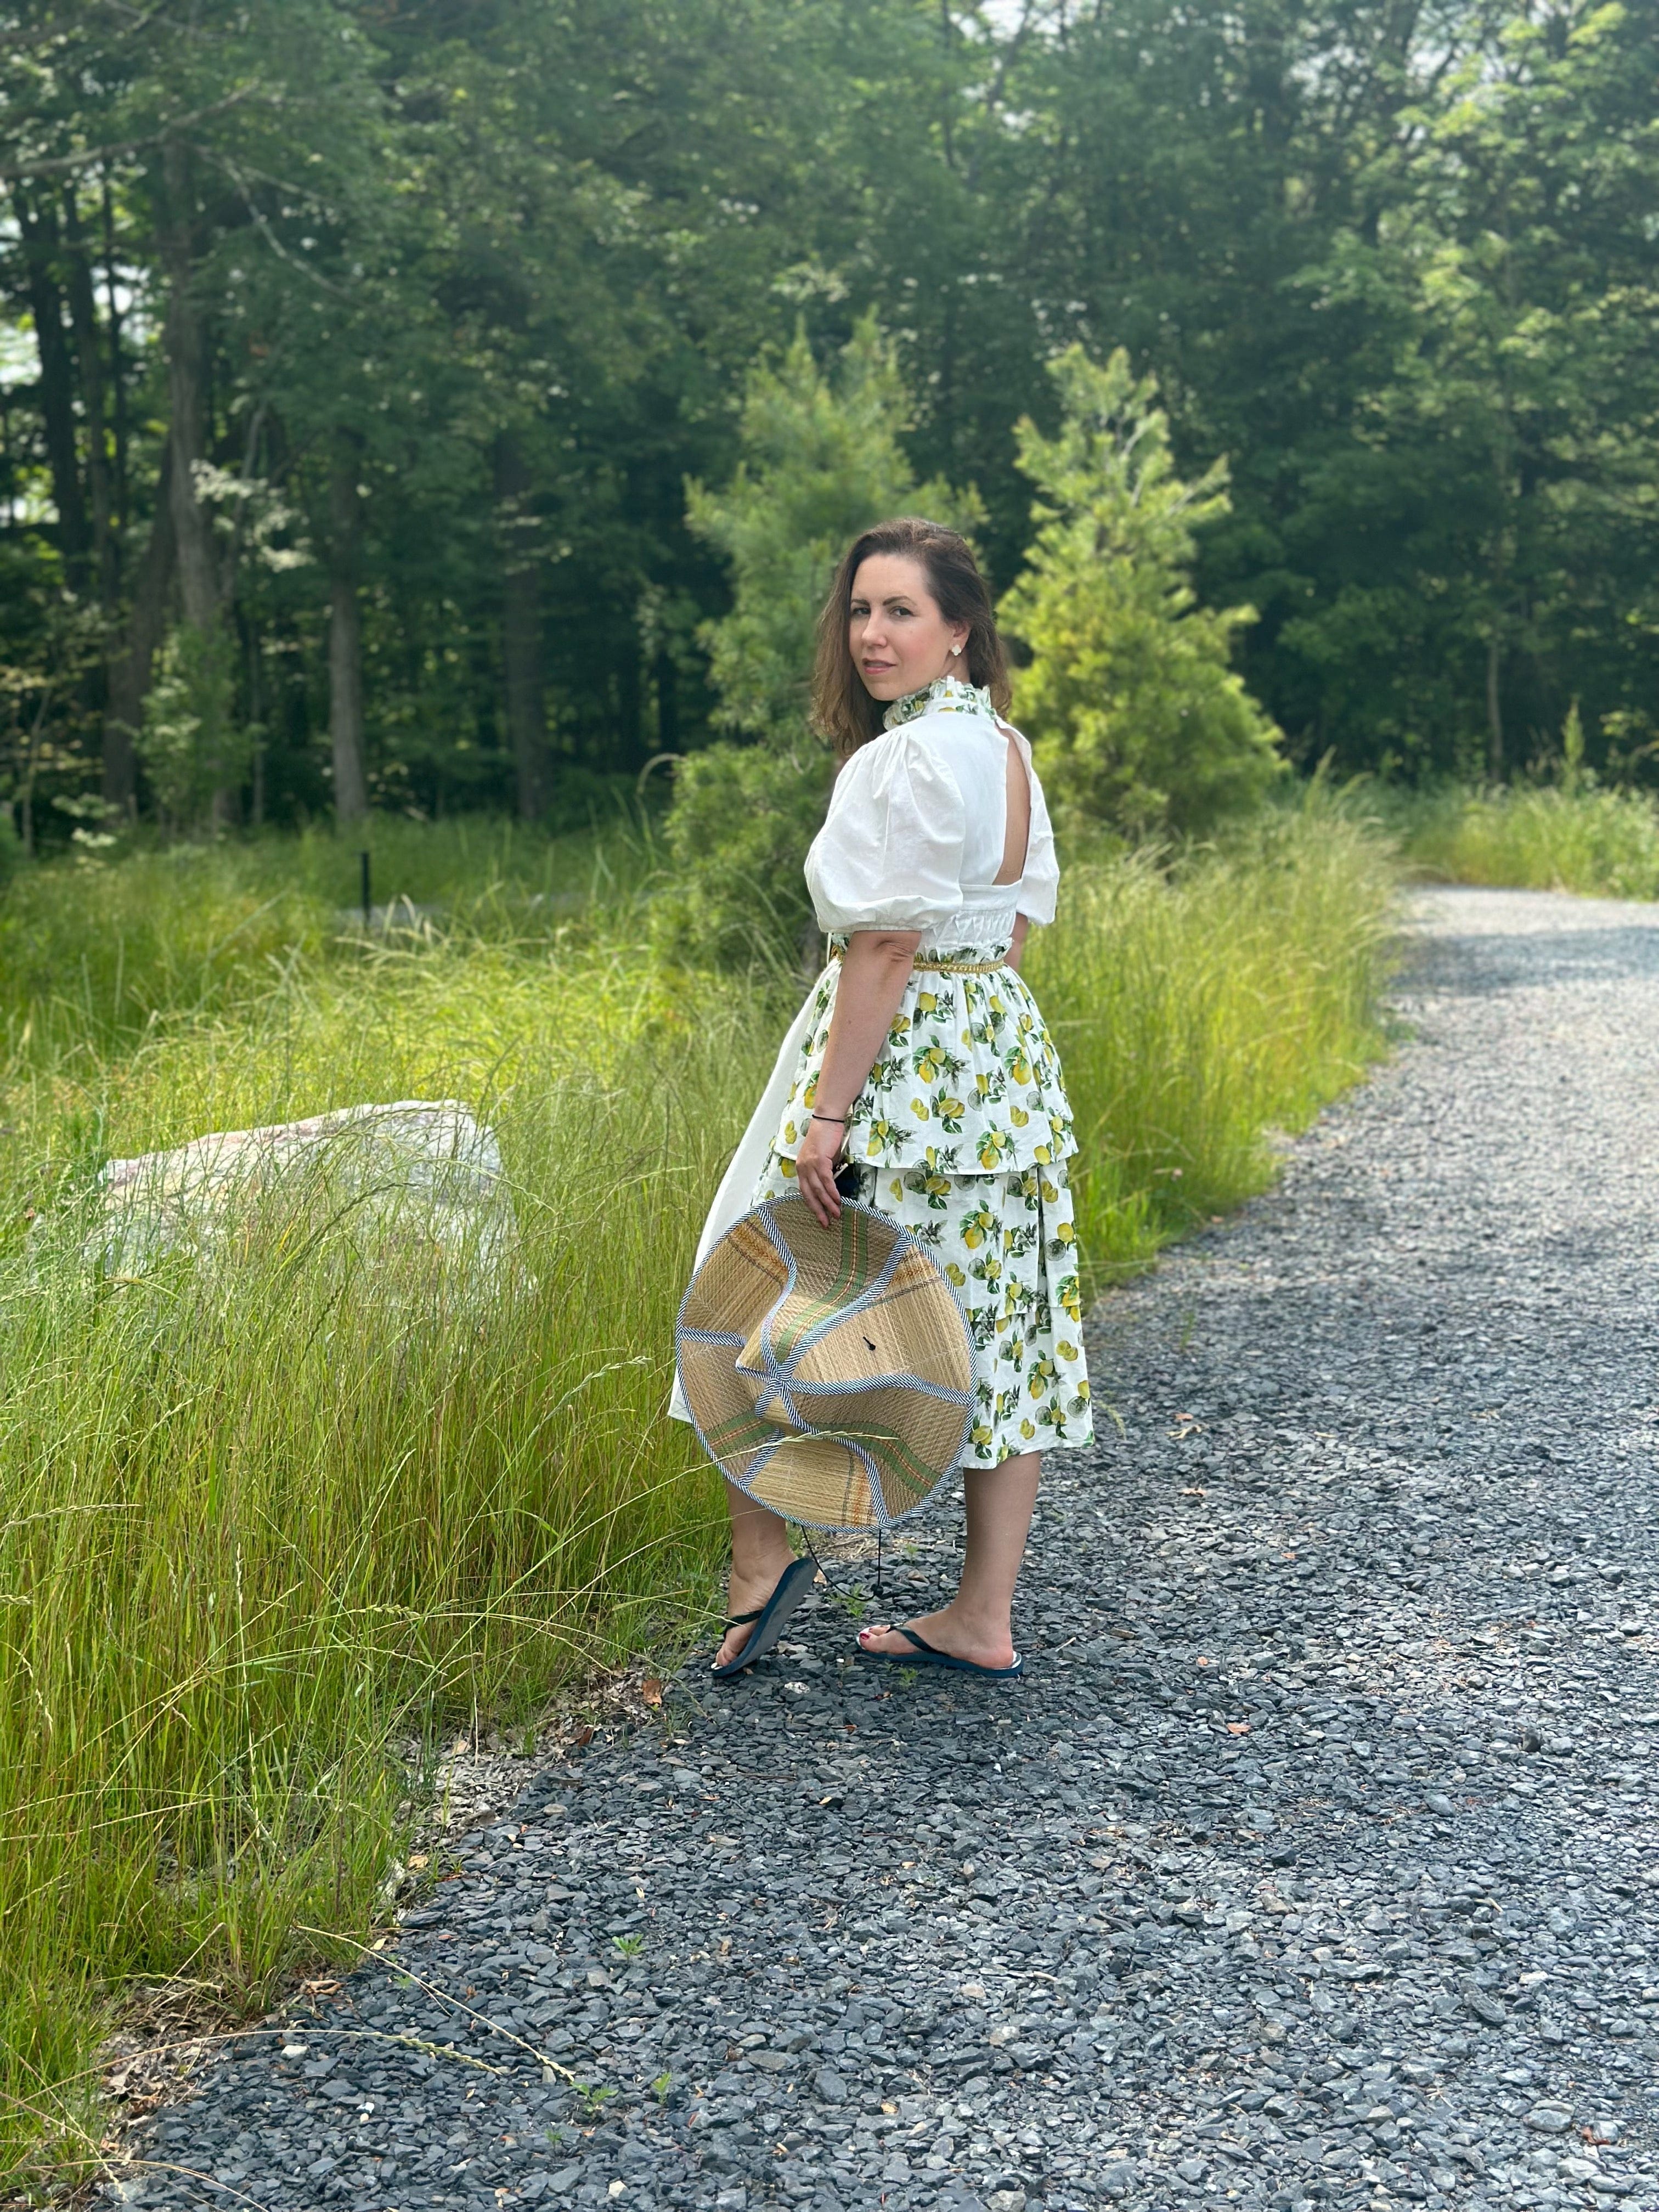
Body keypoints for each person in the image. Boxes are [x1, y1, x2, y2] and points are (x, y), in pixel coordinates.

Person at [669, 516, 1092, 1678]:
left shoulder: (901, 758)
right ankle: (981, 1615)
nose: (872, 634)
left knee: (749, 1288)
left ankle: (761, 1561)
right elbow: (1009, 932)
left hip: (900, 1066)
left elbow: (885, 947)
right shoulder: (1004, 748)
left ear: (961, 630)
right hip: (999, 1064)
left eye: (901, 611)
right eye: (859, 611)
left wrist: (829, 1111)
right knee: (996, 1335)